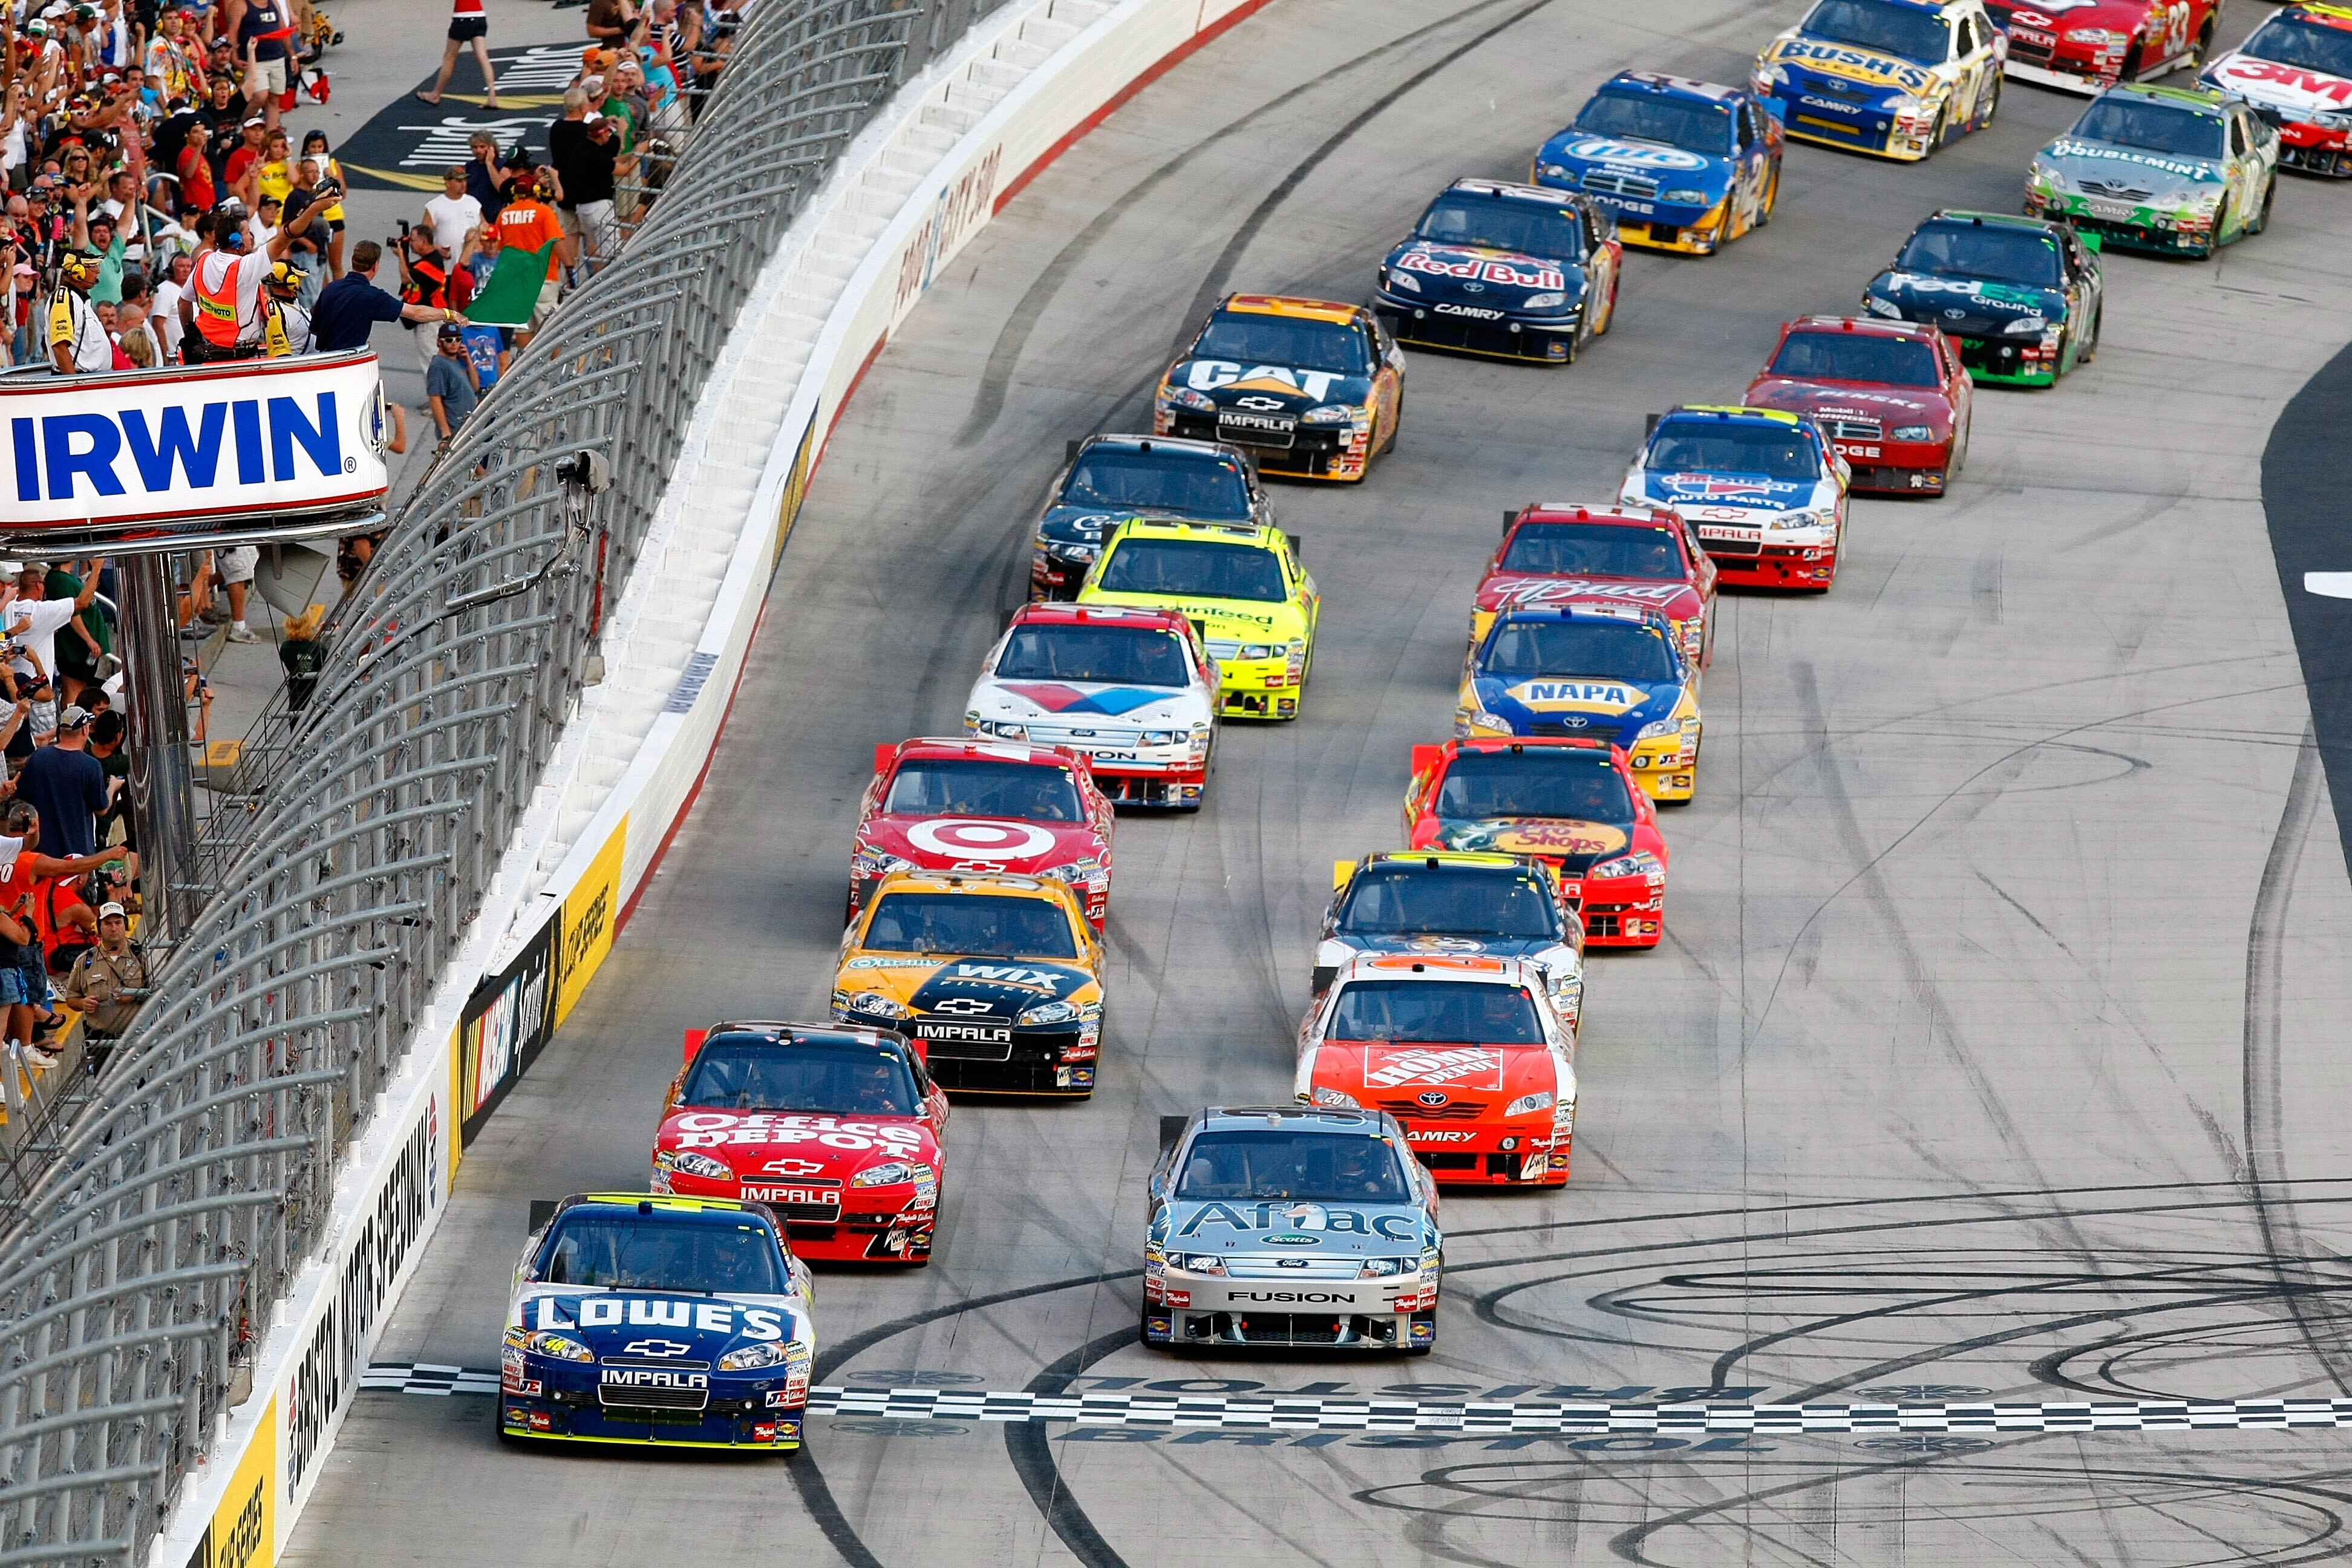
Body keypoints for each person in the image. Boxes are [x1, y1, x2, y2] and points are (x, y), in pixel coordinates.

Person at [310, 239, 460, 353]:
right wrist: (450, 313)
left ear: (353, 261)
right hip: (348, 361)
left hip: (325, 358)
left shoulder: (331, 289)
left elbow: (315, 329)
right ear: (376, 266)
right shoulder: (372, 296)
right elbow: (416, 313)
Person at [16, 705, 106, 859]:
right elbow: (101, 809)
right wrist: (112, 789)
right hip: (78, 857)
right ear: (84, 731)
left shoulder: (38, 757)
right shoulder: (90, 766)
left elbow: (23, 797)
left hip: (41, 854)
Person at [64, 903, 148, 1060]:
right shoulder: (85, 961)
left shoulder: (141, 955)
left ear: (127, 925)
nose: (114, 928)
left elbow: (159, 992)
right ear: (98, 927)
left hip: (136, 1036)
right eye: (108, 924)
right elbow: (71, 998)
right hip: (101, 1041)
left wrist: (134, 997)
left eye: (118, 923)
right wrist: (83, 1004)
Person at [492, 167, 573, 328]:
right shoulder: (544, 212)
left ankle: (525, 355)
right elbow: (555, 241)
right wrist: (570, 268)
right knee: (552, 332)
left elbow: (499, 250)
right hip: (543, 279)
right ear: (536, 190)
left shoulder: (504, 214)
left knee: (524, 330)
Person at [415, 0, 501, 109]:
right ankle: (492, 96)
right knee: (483, 57)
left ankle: (435, 95)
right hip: (480, 16)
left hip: (463, 17)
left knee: (449, 57)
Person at [46, 250, 110, 372]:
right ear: (78, 272)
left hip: (91, 380)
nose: (98, 271)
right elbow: (60, 346)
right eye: (92, 266)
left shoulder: (79, 300)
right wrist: (74, 384)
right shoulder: (65, 299)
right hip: (80, 381)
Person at [425, 320, 479, 442]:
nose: (454, 343)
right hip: (454, 429)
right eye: (449, 340)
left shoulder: (458, 363)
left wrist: (468, 361)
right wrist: (445, 433)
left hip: (467, 428)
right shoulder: (439, 365)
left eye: (458, 339)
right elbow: (435, 398)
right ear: (439, 342)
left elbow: (475, 388)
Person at [422, 164, 482, 260]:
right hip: (446, 266)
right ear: (448, 183)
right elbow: (423, 238)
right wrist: (436, 248)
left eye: (465, 180)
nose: (463, 184)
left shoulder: (474, 203)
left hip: (470, 267)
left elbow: (484, 227)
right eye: (459, 181)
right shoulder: (434, 206)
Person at [255, 258, 309, 359]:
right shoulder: (275, 312)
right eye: (298, 278)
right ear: (291, 281)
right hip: (300, 368)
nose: (299, 281)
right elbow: (280, 356)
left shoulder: (294, 303)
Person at [278, 603, 327, 710]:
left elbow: (301, 653)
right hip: (315, 695)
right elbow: (328, 659)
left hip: (296, 696)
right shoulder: (316, 648)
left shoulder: (286, 647)